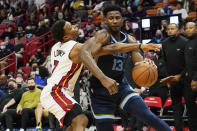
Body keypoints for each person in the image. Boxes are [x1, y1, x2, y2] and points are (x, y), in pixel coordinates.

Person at [40, 19, 161, 131]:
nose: (75, 26)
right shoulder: (76, 47)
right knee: (81, 120)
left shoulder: (56, 46)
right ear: (66, 36)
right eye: (71, 27)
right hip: (56, 91)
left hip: (56, 91)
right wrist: (139, 46)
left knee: (76, 123)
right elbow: (111, 49)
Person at [80, 4, 171, 131]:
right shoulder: (103, 35)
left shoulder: (130, 39)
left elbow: (138, 63)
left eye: (117, 17)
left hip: (121, 86)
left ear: (122, 19)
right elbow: (90, 53)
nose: (115, 21)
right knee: (105, 127)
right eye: (111, 18)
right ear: (105, 20)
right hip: (100, 88)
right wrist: (103, 78)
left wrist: (147, 65)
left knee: (147, 115)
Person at [160, 23, 188, 131]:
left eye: (173, 29)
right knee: (176, 106)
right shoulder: (164, 43)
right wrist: (168, 78)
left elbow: (189, 62)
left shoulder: (185, 42)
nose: (170, 31)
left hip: (185, 79)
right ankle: (178, 129)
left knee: (189, 105)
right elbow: (163, 61)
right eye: (169, 29)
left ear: (178, 30)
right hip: (172, 80)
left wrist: (180, 75)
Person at [183, 22, 197, 130]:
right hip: (189, 81)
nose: (188, 30)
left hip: (195, 80)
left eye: (191, 28)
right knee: (190, 107)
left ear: (196, 29)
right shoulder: (187, 43)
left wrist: (195, 79)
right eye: (186, 28)